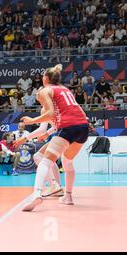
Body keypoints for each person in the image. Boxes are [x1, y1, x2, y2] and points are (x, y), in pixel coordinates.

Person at [21, 64, 89, 212]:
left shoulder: (45, 90)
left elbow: (50, 113)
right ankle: (68, 196)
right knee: (67, 162)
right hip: (83, 126)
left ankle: (37, 194)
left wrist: (31, 121)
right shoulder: (65, 89)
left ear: (45, 78)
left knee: (45, 161)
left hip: (68, 127)